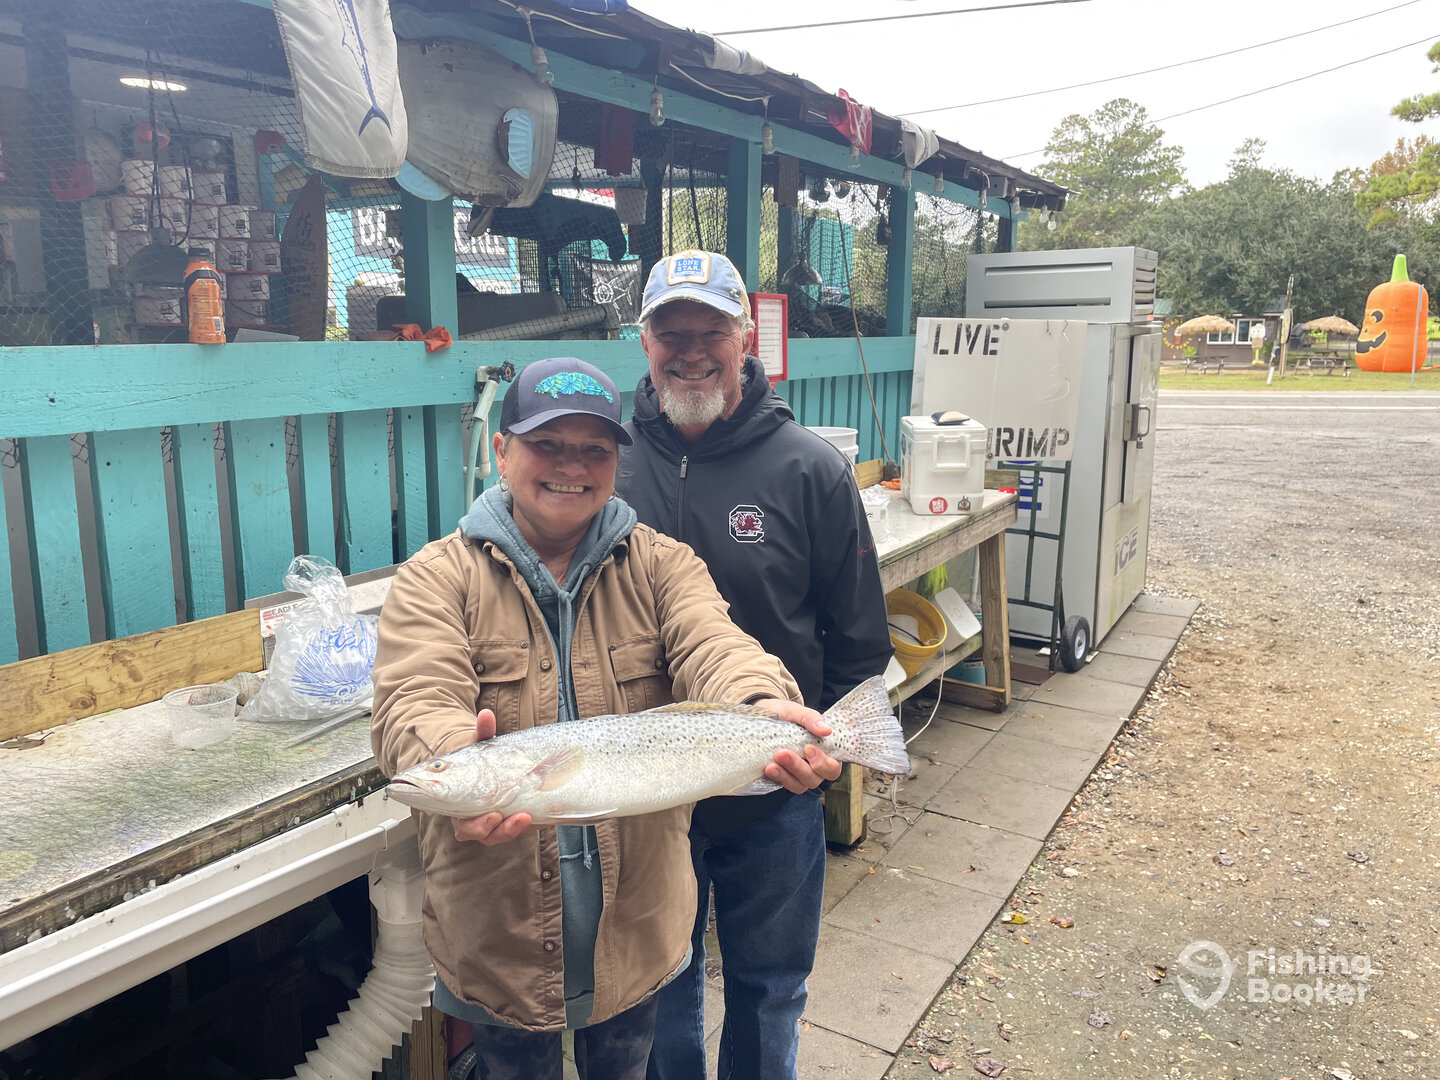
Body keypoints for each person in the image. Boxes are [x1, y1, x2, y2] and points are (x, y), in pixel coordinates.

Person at [371, 357, 842, 1080]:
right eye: (546, 444)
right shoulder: (437, 577)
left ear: (617, 464)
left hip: (638, 927)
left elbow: (714, 644)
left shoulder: (664, 566)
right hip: (496, 937)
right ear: (501, 451)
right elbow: (416, 695)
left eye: (594, 449)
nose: (571, 466)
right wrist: (454, 752)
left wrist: (758, 704)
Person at [617, 251, 894, 1080]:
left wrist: (829, 750)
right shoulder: (608, 463)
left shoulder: (809, 467)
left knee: (769, 988)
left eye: (711, 331)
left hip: (773, 781)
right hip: (647, 787)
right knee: (658, 983)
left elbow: (858, 638)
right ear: (644, 343)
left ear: (746, 340)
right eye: (671, 333)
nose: (691, 352)